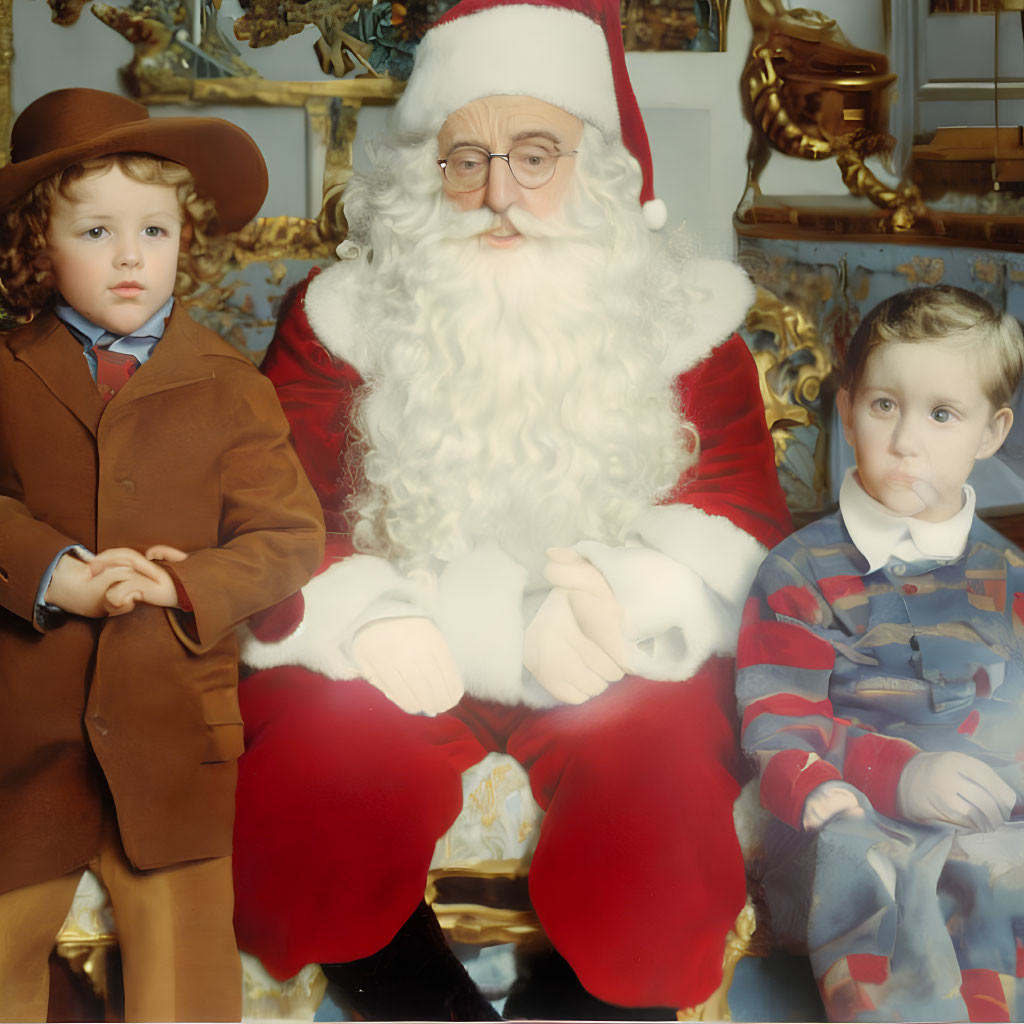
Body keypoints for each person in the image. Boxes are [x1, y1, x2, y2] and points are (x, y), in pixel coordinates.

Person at [233, 0, 791, 1017]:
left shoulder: (686, 325)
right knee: (315, 773)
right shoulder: (339, 321)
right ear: (424, 176)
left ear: (598, 171)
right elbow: (276, 502)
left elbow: (737, 515)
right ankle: (410, 999)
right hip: (401, 636)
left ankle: (580, 1007)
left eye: (535, 157)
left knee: (662, 780)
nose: (497, 195)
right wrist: (369, 613)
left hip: (596, 642)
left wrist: (619, 603)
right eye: (464, 160)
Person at [0, 88, 325, 1021]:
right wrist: (54, 569)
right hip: (24, 743)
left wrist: (185, 580)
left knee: (184, 990)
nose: (132, 256)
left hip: (174, 740)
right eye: (96, 231)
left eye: (155, 229)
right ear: (37, 242)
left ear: (187, 236)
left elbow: (287, 537)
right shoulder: (5, 373)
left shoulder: (230, 386)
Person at [736, 285, 1024, 1022]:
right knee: (875, 861)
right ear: (845, 407)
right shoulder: (798, 573)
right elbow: (781, 723)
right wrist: (896, 775)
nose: (905, 442)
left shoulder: (1009, 575)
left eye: (941, 415)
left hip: (985, 803)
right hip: (853, 806)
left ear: (991, 433)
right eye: (883, 406)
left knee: (997, 868)